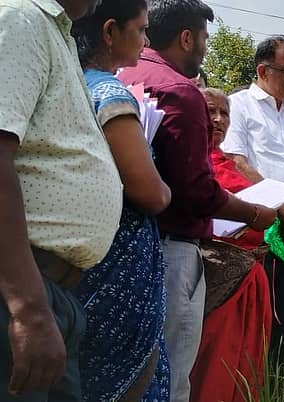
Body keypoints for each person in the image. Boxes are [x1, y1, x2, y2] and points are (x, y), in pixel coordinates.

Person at [117, 1, 278, 399]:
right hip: (173, 248)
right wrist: (255, 212)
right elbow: (197, 190)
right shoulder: (181, 90)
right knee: (170, 369)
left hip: (120, 242)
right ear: (186, 38)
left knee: (125, 367)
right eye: (204, 40)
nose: (205, 49)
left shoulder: (122, 73)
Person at [0, 0, 122, 399]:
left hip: (53, 294)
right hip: (21, 288)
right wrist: (28, 308)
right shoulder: (20, 19)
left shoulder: (58, 33)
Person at [71, 0, 173, 400]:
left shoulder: (72, 82)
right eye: (142, 30)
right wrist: (164, 188)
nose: (146, 40)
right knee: (130, 380)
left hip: (84, 262)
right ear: (110, 32)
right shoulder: (110, 92)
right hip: (122, 267)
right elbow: (148, 193)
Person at [221, 35, 284, 357]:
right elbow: (237, 162)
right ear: (263, 71)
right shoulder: (239, 106)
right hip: (257, 231)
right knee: (259, 317)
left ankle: (282, 385)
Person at [189, 87, 273, 402]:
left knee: (244, 366)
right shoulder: (187, 160)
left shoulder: (231, 165)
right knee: (210, 366)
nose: (218, 119)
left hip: (250, 278)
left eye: (225, 113)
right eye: (210, 110)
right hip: (213, 275)